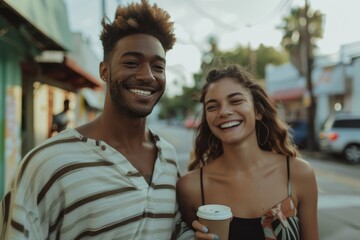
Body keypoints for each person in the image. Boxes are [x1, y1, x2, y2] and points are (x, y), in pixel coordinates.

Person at [0, 1, 195, 239]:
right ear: (104, 71)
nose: (147, 76)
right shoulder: (47, 164)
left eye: (158, 66)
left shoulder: (169, 159)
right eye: (131, 63)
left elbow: (172, 231)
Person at [177, 64, 319, 240]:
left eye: (236, 101)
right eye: (212, 107)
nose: (224, 111)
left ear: (257, 111)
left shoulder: (298, 174)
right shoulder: (191, 187)